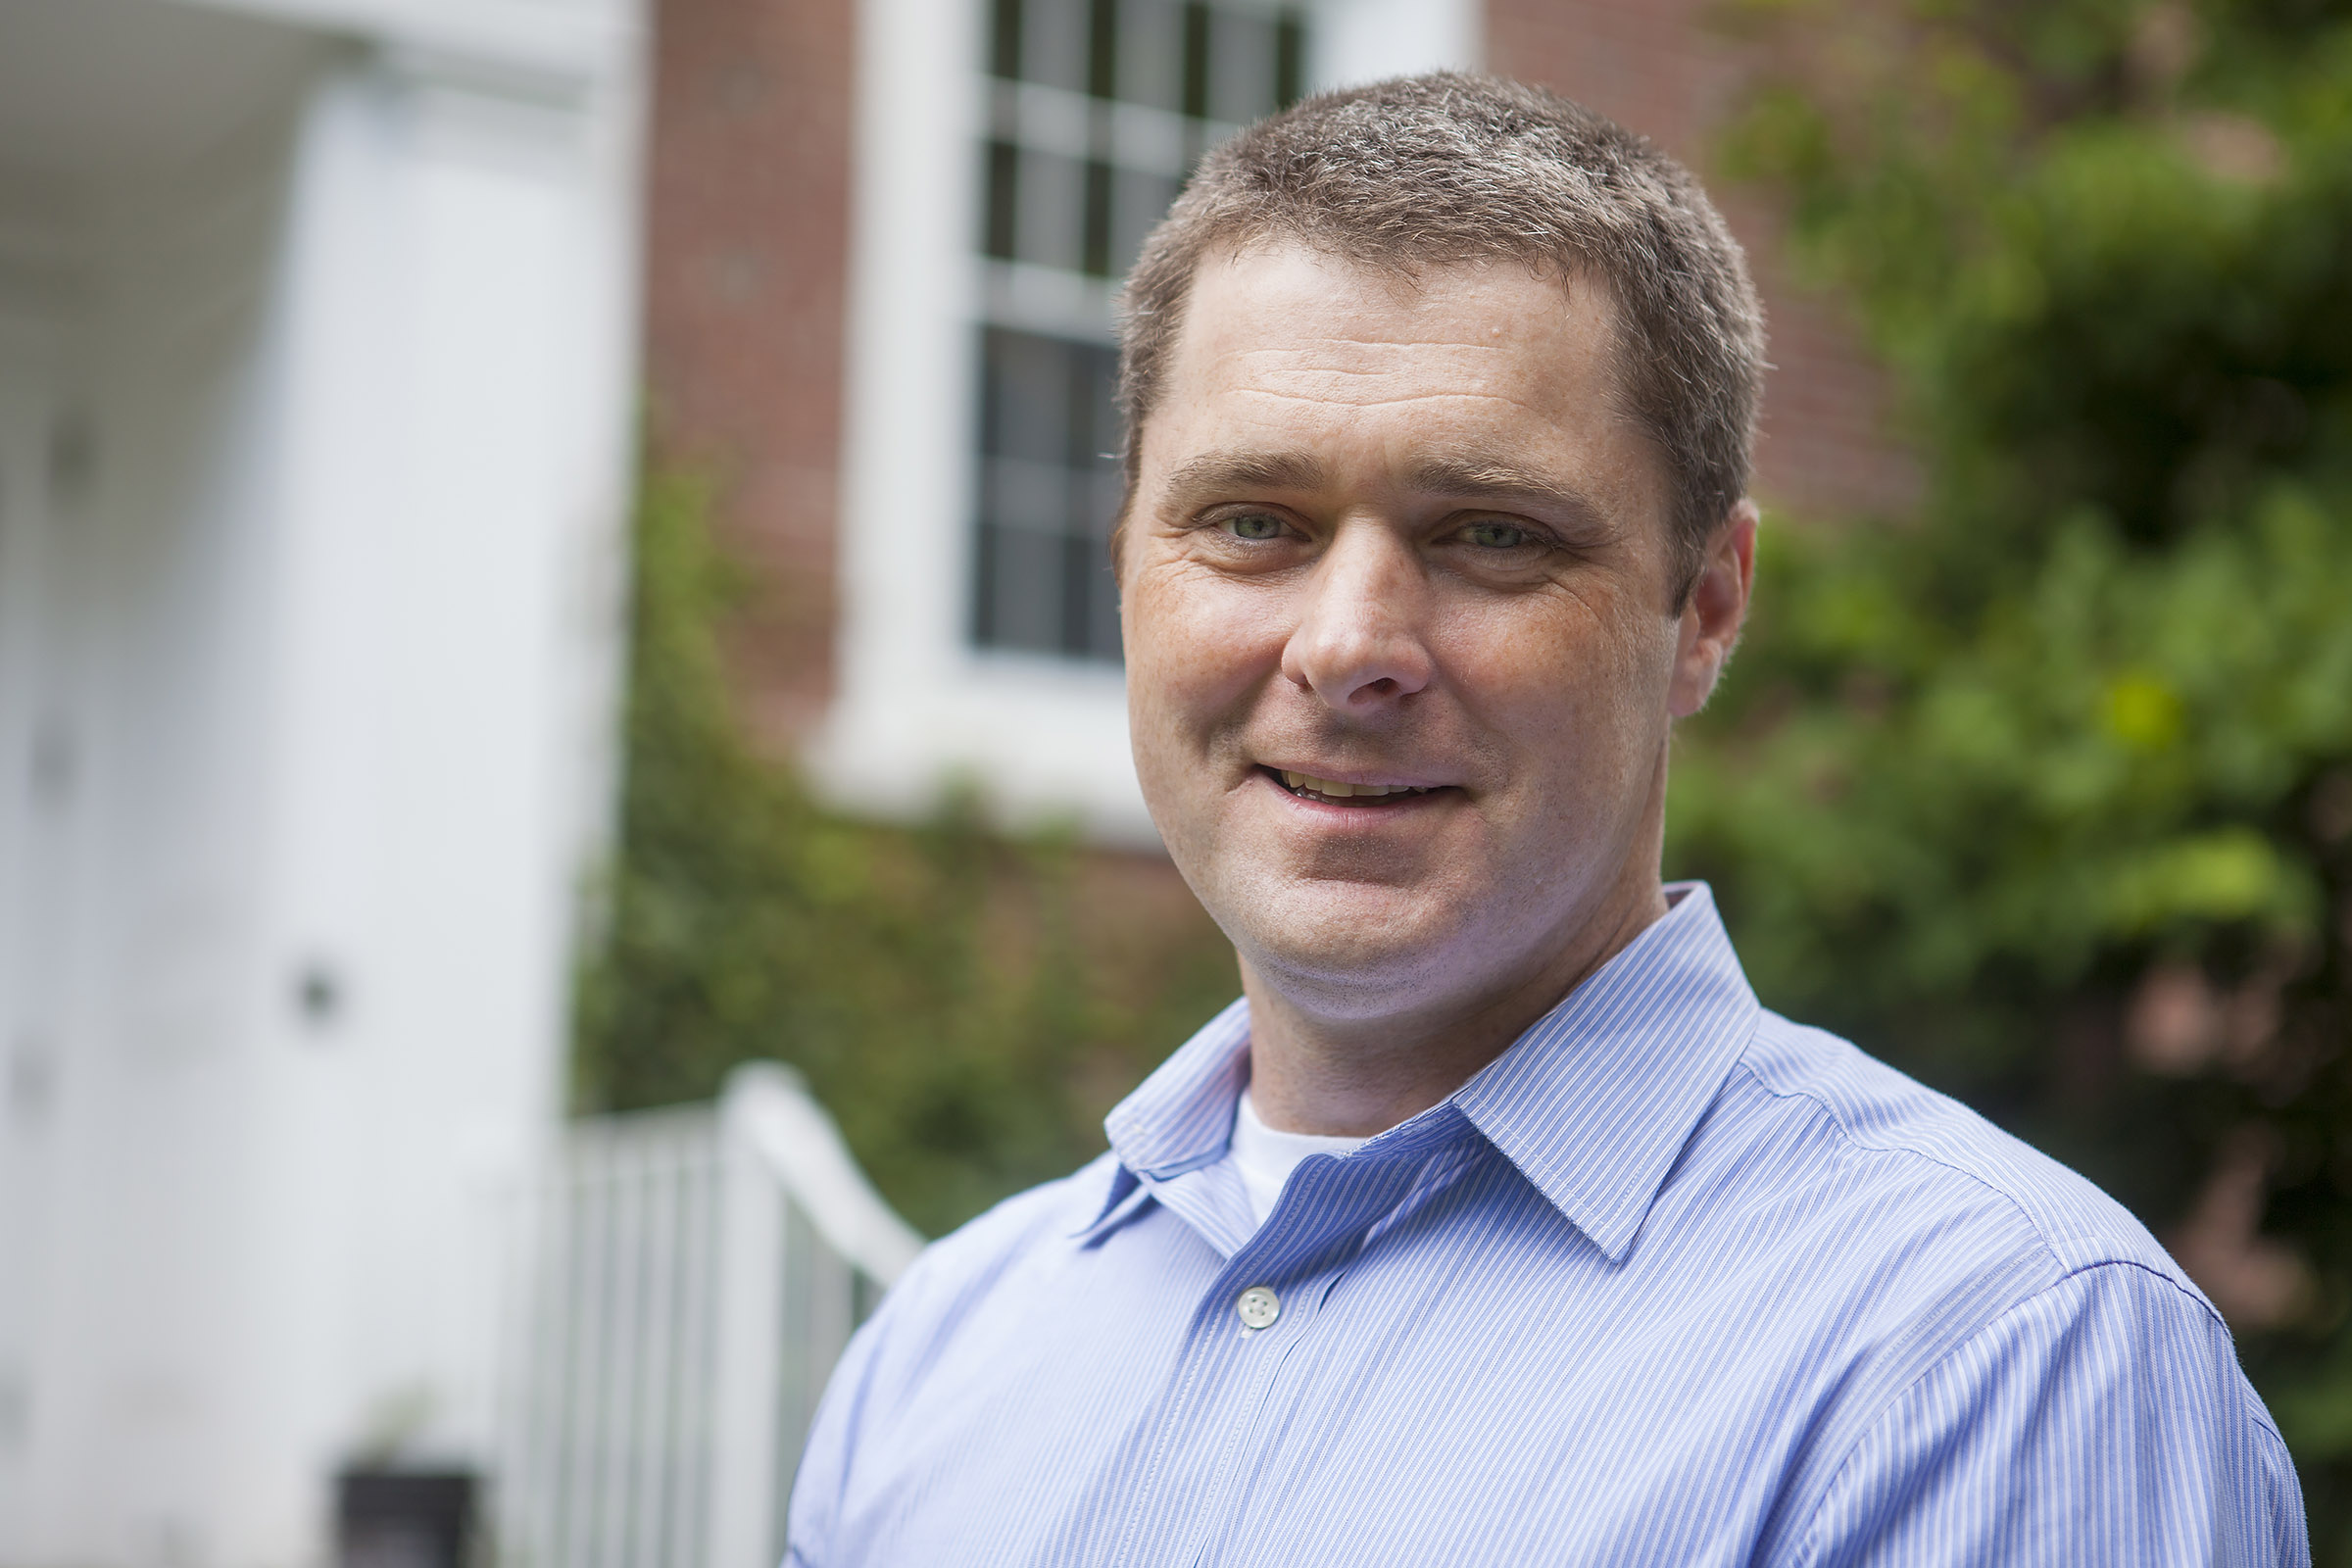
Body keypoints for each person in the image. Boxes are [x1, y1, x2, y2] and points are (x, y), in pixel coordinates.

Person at [785, 73, 2307, 1565]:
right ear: (1129, 563)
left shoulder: (1998, 1364)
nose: (1347, 643)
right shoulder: (941, 1357)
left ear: (1704, 608)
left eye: (1491, 536)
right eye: (1255, 523)